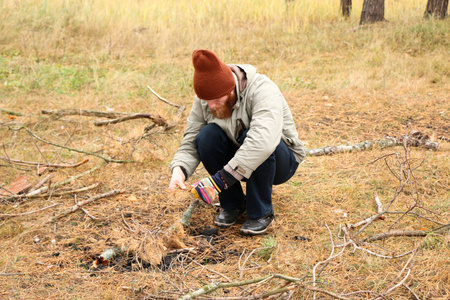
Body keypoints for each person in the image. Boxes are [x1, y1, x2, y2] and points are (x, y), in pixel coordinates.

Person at [168, 49, 306, 235]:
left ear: (231, 89)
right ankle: (233, 205)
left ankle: (260, 213)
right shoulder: (207, 99)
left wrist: (219, 181)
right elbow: (192, 138)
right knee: (206, 136)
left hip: (281, 161)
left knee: (253, 136)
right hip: (239, 165)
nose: (210, 106)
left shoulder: (262, 90)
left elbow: (262, 142)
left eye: (216, 100)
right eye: (206, 101)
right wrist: (180, 169)